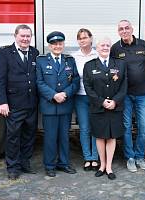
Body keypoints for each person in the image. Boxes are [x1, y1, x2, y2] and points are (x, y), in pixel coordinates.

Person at [0, 24, 39, 180]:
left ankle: (25, 163)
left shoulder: (35, 52)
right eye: (23, 36)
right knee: (13, 136)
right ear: (15, 36)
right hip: (13, 103)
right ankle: (13, 167)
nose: (25, 39)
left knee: (29, 134)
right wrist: (2, 102)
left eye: (28, 36)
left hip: (32, 102)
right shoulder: (5, 53)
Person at [36, 31, 80, 177]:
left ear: (63, 45)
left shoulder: (69, 60)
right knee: (50, 137)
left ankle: (64, 163)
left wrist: (65, 94)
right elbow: (39, 82)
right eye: (54, 44)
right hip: (49, 106)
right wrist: (53, 95)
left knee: (64, 136)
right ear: (49, 46)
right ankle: (49, 165)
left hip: (65, 104)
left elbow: (75, 81)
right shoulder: (41, 61)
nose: (57, 46)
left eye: (60, 43)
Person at [83, 37, 127, 180]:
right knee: (100, 136)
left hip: (115, 107)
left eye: (107, 45)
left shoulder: (120, 64)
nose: (105, 47)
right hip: (98, 108)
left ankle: (109, 166)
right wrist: (102, 102)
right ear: (97, 47)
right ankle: (101, 165)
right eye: (102, 45)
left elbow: (124, 86)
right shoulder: (89, 65)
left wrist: (114, 101)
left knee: (112, 136)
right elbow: (88, 87)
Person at [110, 20, 145, 172]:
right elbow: (113, 70)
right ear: (118, 32)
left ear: (132, 29)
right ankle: (130, 157)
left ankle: (140, 156)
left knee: (144, 126)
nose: (124, 31)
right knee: (126, 127)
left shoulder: (143, 45)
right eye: (121, 29)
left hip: (143, 94)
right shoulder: (115, 48)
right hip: (125, 94)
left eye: (127, 28)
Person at [72, 28, 99, 171]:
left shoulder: (97, 54)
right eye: (80, 38)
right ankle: (87, 157)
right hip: (80, 96)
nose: (82, 40)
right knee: (84, 128)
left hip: (95, 97)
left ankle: (95, 157)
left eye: (85, 37)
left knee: (95, 127)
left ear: (91, 39)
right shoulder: (73, 56)